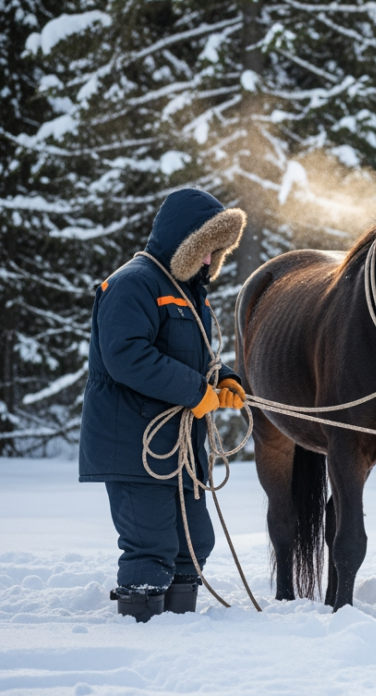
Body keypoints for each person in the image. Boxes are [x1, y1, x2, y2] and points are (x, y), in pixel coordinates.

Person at [79, 189, 247, 622]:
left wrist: (222, 376)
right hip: (135, 443)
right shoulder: (132, 283)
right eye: (207, 248)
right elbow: (126, 356)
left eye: (216, 251)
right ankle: (143, 641)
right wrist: (195, 391)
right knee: (152, 545)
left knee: (195, 542)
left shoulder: (190, 293)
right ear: (186, 242)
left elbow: (193, 355)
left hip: (181, 447)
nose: (211, 260)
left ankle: (178, 634)